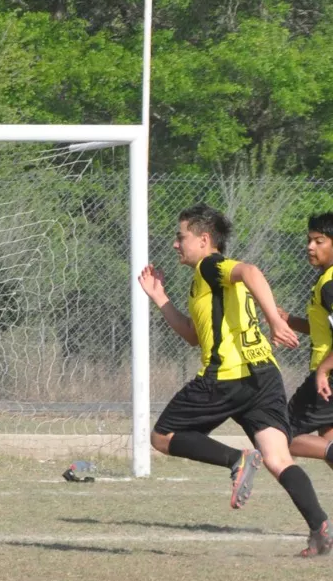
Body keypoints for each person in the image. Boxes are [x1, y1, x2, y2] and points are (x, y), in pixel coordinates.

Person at [139, 204, 331, 556]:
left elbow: (252, 271)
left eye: (181, 237)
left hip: (228, 376)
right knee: (278, 458)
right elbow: (193, 335)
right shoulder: (206, 281)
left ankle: (236, 460)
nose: (175, 244)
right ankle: (319, 530)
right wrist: (160, 297)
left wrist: (274, 320)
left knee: (162, 436)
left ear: (204, 239)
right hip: (264, 377)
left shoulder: (211, 266)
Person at [279, 213, 333, 472]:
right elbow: (322, 328)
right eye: (309, 240)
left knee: (278, 435)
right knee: (327, 440)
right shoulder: (325, 279)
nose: (310, 247)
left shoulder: (331, 283)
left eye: (319, 241)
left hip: (327, 378)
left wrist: (323, 370)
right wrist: (288, 320)